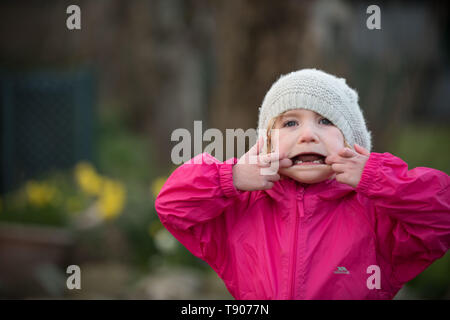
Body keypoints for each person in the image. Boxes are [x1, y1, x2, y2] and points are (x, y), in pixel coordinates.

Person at [155, 68, 450, 299]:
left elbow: (442, 214)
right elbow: (171, 206)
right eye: (290, 123)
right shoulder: (242, 208)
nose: (308, 134)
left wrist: (377, 178)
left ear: (353, 142)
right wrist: (228, 178)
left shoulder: (376, 212)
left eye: (325, 120)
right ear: (266, 144)